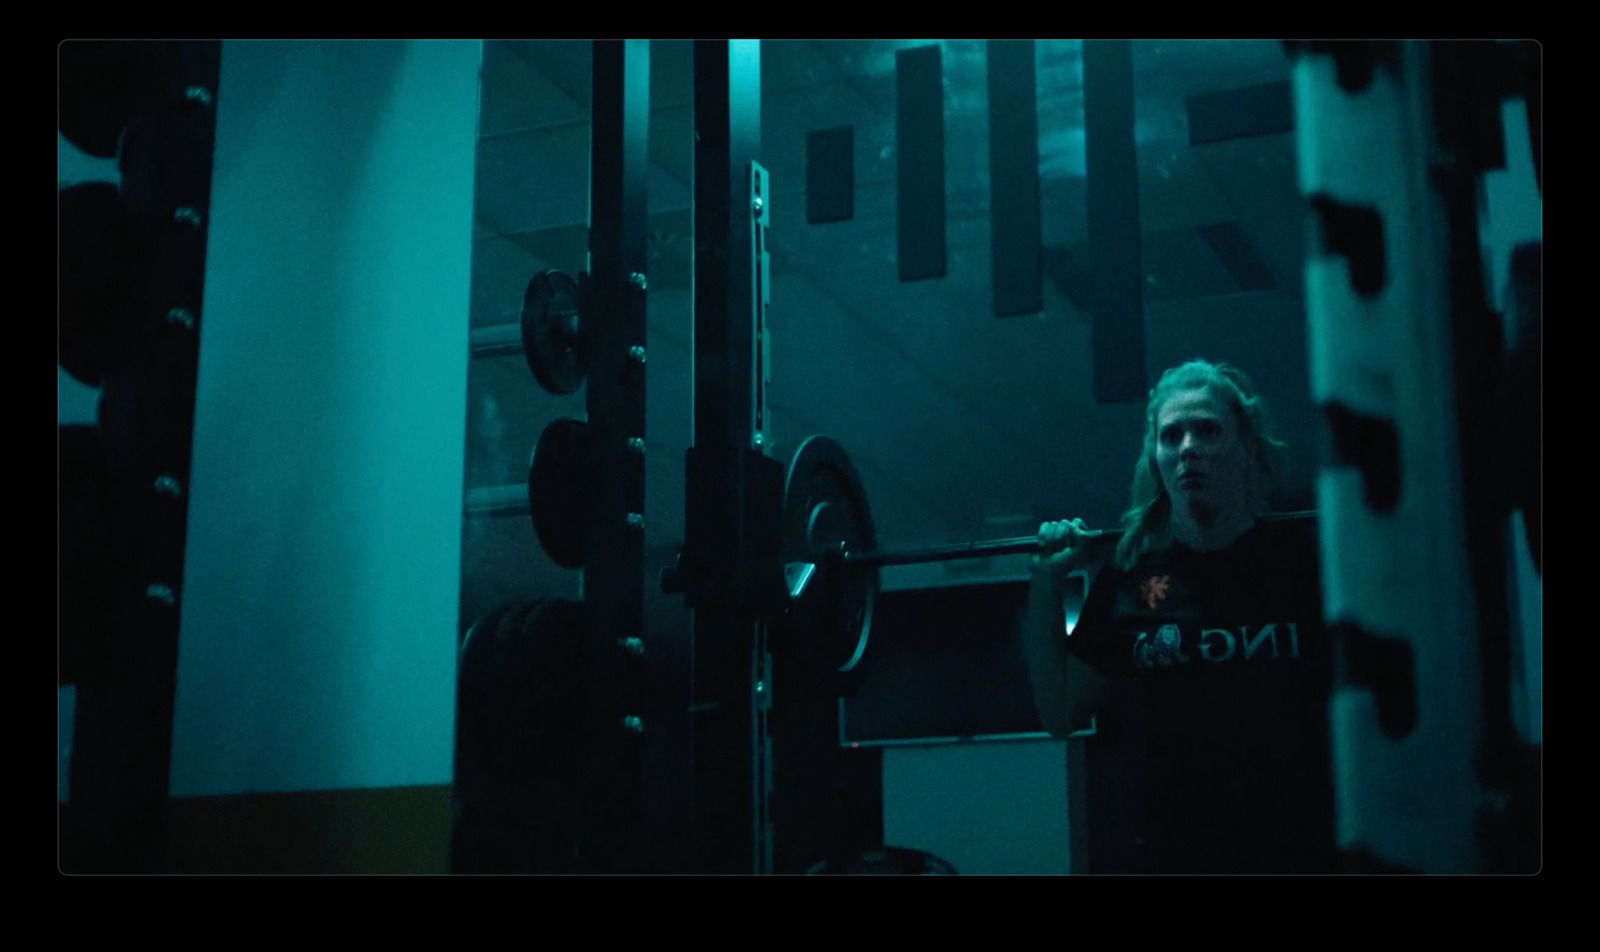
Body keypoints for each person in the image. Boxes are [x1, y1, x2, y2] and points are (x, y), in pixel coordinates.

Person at [1023, 359, 1336, 874]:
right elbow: (1059, 711)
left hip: (1299, 851)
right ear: (1158, 459)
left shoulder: (1304, 567)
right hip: (1174, 855)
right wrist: (1045, 582)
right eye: (1173, 436)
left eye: (1207, 430)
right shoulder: (1128, 582)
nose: (1188, 447)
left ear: (1246, 448)